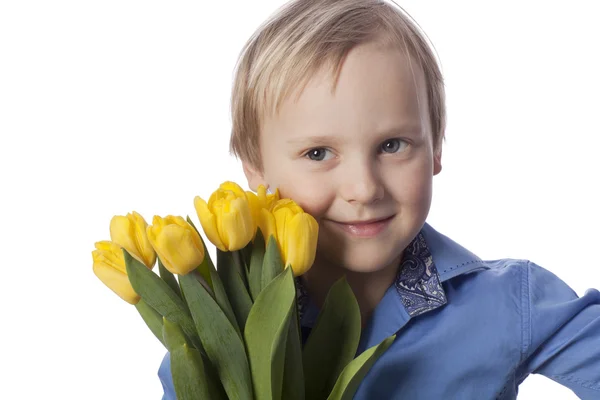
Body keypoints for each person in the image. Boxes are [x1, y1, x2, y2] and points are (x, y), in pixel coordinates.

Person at [158, 0, 600, 398]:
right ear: (256, 170)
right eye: (318, 153)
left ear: (436, 149)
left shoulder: (509, 302)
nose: (364, 189)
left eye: (392, 145)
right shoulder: (218, 333)